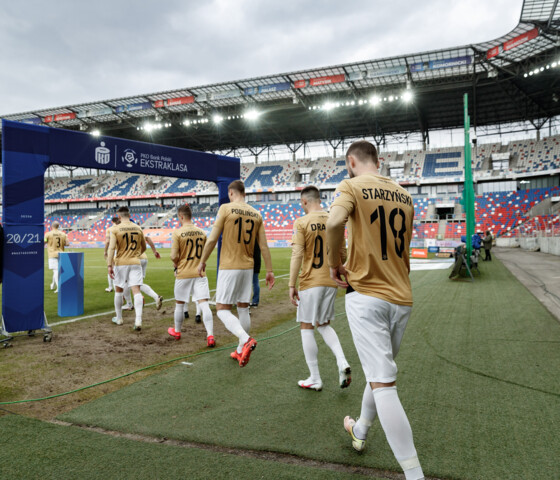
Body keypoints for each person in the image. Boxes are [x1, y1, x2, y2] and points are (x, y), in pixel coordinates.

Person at [327, 140, 424, 480]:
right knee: (377, 371)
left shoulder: (350, 185)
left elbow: (334, 222)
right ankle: (361, 430)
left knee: (384, 384)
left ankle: (415, 476)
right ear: (378, 160)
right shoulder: (404, 194)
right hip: (401, 295)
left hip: (367, 293)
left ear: (351, 161)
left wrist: (335, 262)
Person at [198, 180, 275, 367]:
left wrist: (202, 261)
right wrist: (270, 270)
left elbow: (212, 238)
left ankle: (245, 339)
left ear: (231, 193)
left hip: (229, 265)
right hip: (248, 267)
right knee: (242, 308)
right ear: (244, 193)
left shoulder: (226, 209)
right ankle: (240, 350)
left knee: (222, 309)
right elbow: (263, 245)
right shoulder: (256, 214)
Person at [289, 185, 351, 391]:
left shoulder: (302, 222)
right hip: (330, 280)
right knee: (323, 324)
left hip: (310, 281)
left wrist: (291, 284)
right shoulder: (334, 219)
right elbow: (342, 251)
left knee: (306, 326)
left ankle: (315, 378)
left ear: (304, 201)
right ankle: (342, 362)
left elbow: (297, 254)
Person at [169, 204, 215, 347]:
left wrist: (176, 264)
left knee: (179, 304)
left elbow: (173, 256)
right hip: (200, 273)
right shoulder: (202, 232)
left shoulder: (177, 233)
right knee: (204, 304)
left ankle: (177, 332)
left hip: (183, 273)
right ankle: (210, 335)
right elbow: (206, 252)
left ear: (181, 216)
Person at [107, 206, 147, 331]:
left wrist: (109, 265)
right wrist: (134, 254)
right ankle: (138, 320)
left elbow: (112, 248)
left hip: (120, 263)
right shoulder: (138, 228)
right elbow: (144, 247)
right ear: (129, 215)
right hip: (135, 262)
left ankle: (119, 318)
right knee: (136, 291)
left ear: (119, 216)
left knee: (118, 290)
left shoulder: (115, 229)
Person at [45, 222, 69, 293]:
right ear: (58, 226)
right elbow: (67, 243)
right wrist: (62, 243)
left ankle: (59, 287)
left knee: (55, 270)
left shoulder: (48, 234)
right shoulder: (63, 234)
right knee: (56, 270)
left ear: (52, 226)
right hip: (61, 254)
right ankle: (52, 284)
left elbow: (44, 241)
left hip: (52, 254)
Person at [104, 217, 120, 292]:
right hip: (122, 251)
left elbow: (107, 242)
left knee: (111, 269)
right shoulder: (121, 228)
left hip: (113, 251)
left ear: (112, 221)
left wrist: (105, 251)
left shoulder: (110, 229)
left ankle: (111, 287)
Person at [251, 239, 261, 307]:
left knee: (254, 283)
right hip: (256, 264)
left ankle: (242, 301)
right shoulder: (258, 241)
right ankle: (255, 301)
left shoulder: (251, 241)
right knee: (255, 283)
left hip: (251, 264)